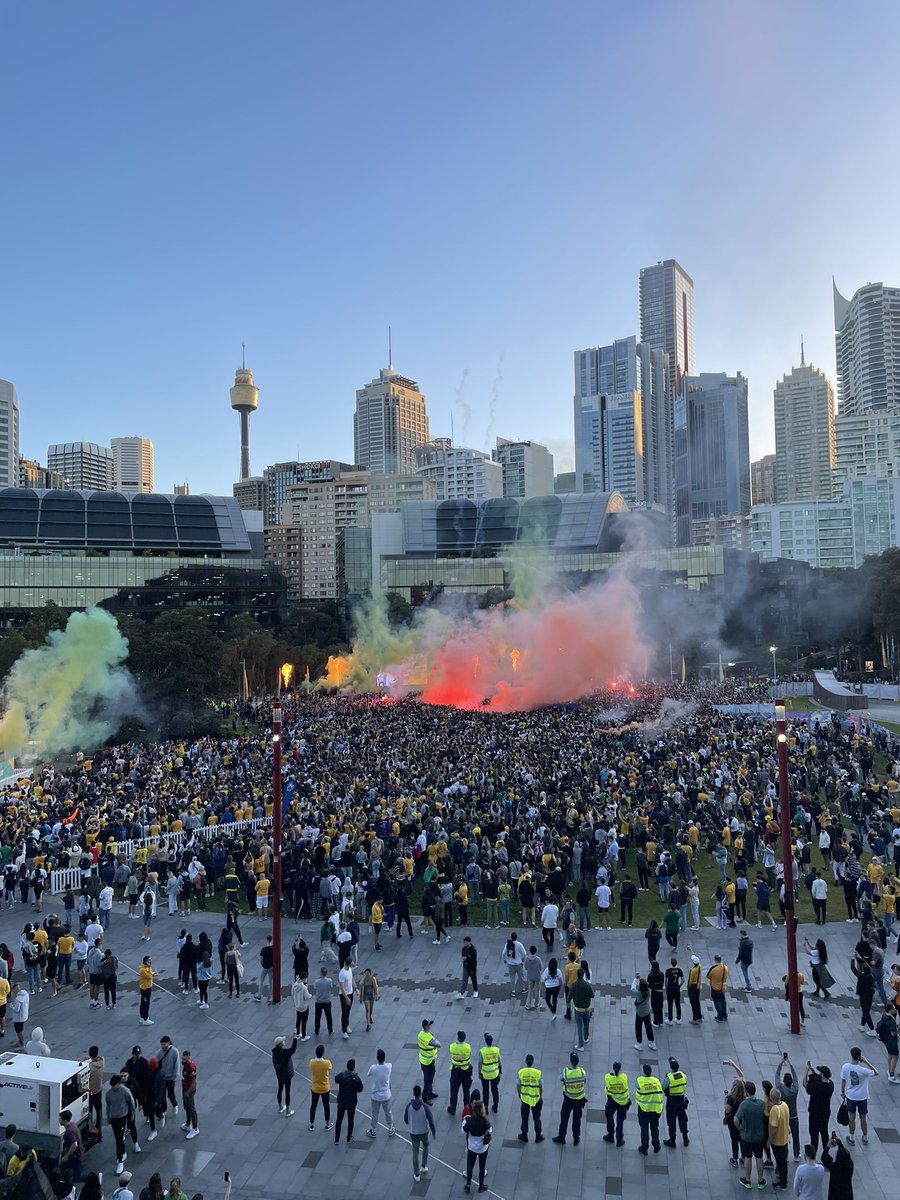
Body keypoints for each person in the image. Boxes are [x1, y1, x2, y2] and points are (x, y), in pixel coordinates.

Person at [839, 1046, 878, 1146]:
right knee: (863, 1118)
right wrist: (866, 1062)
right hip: (862, 1097)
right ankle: (865, 1137)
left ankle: (852, 1137)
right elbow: (876, 1072)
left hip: (851, 1096)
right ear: (859, 1057)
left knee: (851, 1117)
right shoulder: (863, 1071)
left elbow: (843, 1080)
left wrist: (842, 1091)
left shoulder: (846, 1067)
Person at [737, 1079, 767, 1189]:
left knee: (747, 1157)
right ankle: (760, 1181)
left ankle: (748, 1180)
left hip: (747, 1136)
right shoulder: (761, 1104)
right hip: (759, 1136)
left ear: (746, 1092)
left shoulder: (744, 1105)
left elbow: (736, 1119)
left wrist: (739, 1127)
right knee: (759, 1157)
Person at [552, 1051, 587, 1146]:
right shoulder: (582, 1072)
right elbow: (584, 1081)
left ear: (571, 1061)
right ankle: (576, 1139)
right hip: (579, 1100)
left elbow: (561, 1078)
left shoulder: (566, 1072)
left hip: (568, 1099)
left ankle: (561, 1137)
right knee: (577, 1120)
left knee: (564, 1119)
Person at [105, 1074, 137, 1175]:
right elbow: (108, 1105)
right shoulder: (109, 1094)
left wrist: (132, 1115)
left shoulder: (125, 1091)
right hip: (114, 1118)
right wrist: (108, 1117)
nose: (113, 1088)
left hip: (123, 1117)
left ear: (118, 1084)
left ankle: (120, 1159)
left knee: (119, 1139)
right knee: (118, 1137)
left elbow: (131, 1104)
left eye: (114, 1085)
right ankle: (121, 1153)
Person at [404, 1085, 436, 1183]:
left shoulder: (409, 1106)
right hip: (424, 1131)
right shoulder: (425, 1106)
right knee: (426, 1146)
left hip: (413, 1132)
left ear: (413, 1093)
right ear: (421, 1093)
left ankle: (416, 1174)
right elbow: (430, 1120)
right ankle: (424, 1166)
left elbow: (405, 1120)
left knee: (415, 1152)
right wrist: (433, 1131)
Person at [462, 1096, 491, 1193]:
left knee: (470, 1165)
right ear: (480, 1110)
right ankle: (481, 1185)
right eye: (483, 1107)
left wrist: (464, 1122)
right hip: (482, 1148)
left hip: (472, 1147)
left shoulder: (469, 1121)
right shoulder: (485, 1121)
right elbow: (490, 1130)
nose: (485, 1108)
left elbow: (463, 1130)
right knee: (482, 1167)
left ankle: (468, 1184)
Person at [803, 1063, 834, 1155]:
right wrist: (813, 1072)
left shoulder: (817, 1086)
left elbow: (805, 1084)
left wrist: (805, 1072)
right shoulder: (830, 1084)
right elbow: (820, 1079)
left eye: (820, 1072)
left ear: (823, 1075)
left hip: (815, 1113)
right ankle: (826, 1152)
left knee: (814, 1134)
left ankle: (813, 1152)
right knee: (824, 1132)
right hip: (825, 1112)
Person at [775, 1054, 801, 1161]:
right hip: (793, 1115)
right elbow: (796, 1077)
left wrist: (781, 1063)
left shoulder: (780, 1088)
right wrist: (790, 1064)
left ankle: (784, 1154)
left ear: (784, 1081)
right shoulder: (795, 1089)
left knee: (784, 1135)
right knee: (796, 1135)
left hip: (784, 1115)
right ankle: (796, 1153)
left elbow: (777, 1076)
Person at [334, 1057, 363, 1144]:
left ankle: (337, 1139)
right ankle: (348, 1138)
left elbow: (336, 1079)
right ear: (354, 1068)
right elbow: (360, 1089)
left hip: (341, 1101)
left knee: (339, 1119)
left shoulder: (342, 1075)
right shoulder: (356, 1078)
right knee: (350, 1120)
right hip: (351, 1102)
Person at [635, 1062, 663, 1155]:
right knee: (654, 1128)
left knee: (644, 1129)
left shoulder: (640, 1080)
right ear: (651, 1072)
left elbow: (637, 1087)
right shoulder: (656, 1080)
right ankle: (656, 1146)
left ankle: (644, 1148)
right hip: (655, 1109)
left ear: (644, 1072)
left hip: (644, 1109)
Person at [662, 1056, 689, 1148]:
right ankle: (685, 1139)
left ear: (671, 1068)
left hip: (671, 1102)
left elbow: (663, 1087)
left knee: (671, 1122)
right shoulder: (683, 1075)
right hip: (681, 1100)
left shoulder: (669, 1078)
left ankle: (672, 1141)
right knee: (683, 1120)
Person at [366, 1048, 394, 1137]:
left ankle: (373, 1131)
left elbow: (368, 1074)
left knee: (374, 1114)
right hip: (386, 1095)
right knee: (388, 1112)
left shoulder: (373, 1068)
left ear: (377, 1058)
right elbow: (389, 1064)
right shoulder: (388, 1066)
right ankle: (390, 1128)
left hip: (375, 1096)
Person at [517, 1053, 543, 1142]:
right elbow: (540, 1086)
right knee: (537, 1119)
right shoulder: (537, 1073)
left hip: (524, 1099)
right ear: (533, 1062)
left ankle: (524, 1135)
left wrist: (520, 1094)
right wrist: (540, 1096)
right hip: (535, 1099)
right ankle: (538, 1136)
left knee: (524, 1118)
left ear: (525, 1062)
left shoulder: (521, 1072)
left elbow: (518, 1085)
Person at [768, 1085, 790, 1190]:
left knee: (780, 1163)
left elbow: (773, 1127)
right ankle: (784, 1180)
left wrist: (769, 1141)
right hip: (785, 1139)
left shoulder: (774, 1110)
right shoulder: (785, 1105)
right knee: (784, 1162)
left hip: (778, 1141)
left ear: (772, 1098)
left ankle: (782, 1183)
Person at [821, 1132, 855, 1200]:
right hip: (847, 1194)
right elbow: (844, 1154)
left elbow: (824, 1158)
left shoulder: (835, 1167)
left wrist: (827, 1146)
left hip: (835, 1194)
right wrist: (839, 1142)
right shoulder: (850, 1165)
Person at [448, 1029, 473, 1116]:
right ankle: (467, 1109)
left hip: (455, 1071)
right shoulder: (467, 1047)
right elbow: (470, 1054)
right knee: (466, 1092)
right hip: (466, 1072)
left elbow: (451, 1053)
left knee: (454, 1091)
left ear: (458, 1038)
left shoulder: (452, 1046)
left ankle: (452, 1108)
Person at [272, 1033, 298, 1116]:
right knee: (287, 1091)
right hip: (286, 1075)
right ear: (280, 1044)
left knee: (280, 1089)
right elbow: (293, 1049)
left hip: (279, 1074)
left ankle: (280, 1107)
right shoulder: (284, 1053)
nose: (284, 1041)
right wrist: (294, 1038)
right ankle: (288, 1110)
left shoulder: (275, 1052)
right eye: (283, 1041)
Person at [309, 1045, 333, 1131]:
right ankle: (327, 1123)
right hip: (325, 1087)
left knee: (313, 1105)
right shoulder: (327, 1063)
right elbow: (330, 1068)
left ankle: (311, 1123)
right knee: (326, 1105)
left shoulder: (311, 1062)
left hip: (315, 1087)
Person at [570, 968, 594, 1050]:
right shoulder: (587, 985)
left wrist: (568, 1003)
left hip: (578, 1010)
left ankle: (581, 1045)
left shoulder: (574, 985)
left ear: (577, 975)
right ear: (583, 975)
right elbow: (592, 995)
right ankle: (586, 1038)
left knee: (580, 1027)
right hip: (587, 1009)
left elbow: (569, 997)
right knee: (586, 1023)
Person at [875, 1005, 899, 1082]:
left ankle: (889, 1070)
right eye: (894, 1008)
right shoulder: (891, 1021)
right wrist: (898, 1029)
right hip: (891, 1041)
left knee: (890, 1055)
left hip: (886, 1040)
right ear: (890, 1010)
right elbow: (893, 1033)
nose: (895, 1009)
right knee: (895, 1056)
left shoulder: (884, 1015)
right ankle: (891, 1075)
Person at [418, 1018, 440, 1102]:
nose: (431, 1026)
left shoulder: (420, 1034)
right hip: (429, 1061)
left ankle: (429, 1092)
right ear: (426, 1027)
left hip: (423, 1059)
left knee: (426, 1077)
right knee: (429, 1079)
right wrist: (434, 1039)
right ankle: (425, 1096)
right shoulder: (428, 1037)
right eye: (429, 1024)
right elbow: (438, 1044)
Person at [478, 1033, 501, 1114]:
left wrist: (479, 1072)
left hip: (485, 1074)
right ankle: (495, 1106)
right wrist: (500, 1071)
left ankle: (485, 1108)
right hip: (494, 1074)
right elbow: (499, 1061)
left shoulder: (483, 1051)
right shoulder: (496, 1050)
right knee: (495, 1091)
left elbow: (480, 1063)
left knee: (485, 1092)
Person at [631, 976, 656, 1050]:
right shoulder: (648, 991)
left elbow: (632, 988)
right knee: (648, 1027)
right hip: (647, 1012)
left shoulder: (638, 993)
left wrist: (635, 980)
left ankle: (639, 1044)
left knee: (638, 1028)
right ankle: (652, 1043)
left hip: (639, 1013)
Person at [157, 1037, 180, 1116]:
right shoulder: (159, 1053)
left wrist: (175, 1076)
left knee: (171, 1094)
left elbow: (177, 1064)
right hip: (162, 1078)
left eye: (164, 1044)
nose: (163, 1046)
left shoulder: (174, 1051)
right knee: (162, 1095)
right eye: (162, 1044)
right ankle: (164, 1109)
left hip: (170, 1078)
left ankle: (175, 1105)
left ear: (168, 1043)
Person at [59, 1109, 84, 1181]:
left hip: (74, 1156)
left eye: (60, 1119)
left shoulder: (69, 1131)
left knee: (75, 1176)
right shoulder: (73, 1125)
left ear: (65, 1120)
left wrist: (66, 1156)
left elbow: (75, 1144)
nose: (59, 1120)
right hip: (78, 1154)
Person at [707, 953, 729, 1021]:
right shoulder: (725, 967)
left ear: (715, 960)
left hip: (715, 987)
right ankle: (724, 1015)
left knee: (717, 1002)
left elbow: (708, 976)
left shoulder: (713, 969)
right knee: (723, 1001)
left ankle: (719, 1017)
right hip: (723, 987)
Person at [313, 967, 334, 1037]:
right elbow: (331, 986)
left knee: (317, 1017)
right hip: (327, 1001)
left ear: (321, 973)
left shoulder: (317, 981)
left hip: (318, 1002)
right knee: (329, 1017)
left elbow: (315, 987)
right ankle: (330, 1030)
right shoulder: (329, 981)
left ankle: (316, 1031)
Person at [291, 973, 311, 1040]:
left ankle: (297, 1033)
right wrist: (310, 995)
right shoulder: (304, 988)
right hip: (304, 1007)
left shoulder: (294, 985)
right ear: (305, 978)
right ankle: (304, 1036)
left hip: (297, 1006)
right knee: (304, 1021)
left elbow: (292, 994)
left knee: (298, 1020)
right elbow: (307, 997)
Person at [338, 961, 354, 1038]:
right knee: (344, 1012)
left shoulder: (350, 969)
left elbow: (352, 978)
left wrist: (356, 988)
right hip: (344, 995)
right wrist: (346, 997)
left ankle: (347, 1025)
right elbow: (341, 987)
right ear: (349, 963)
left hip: (350, 992)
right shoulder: (342, 973)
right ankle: (344, 1031)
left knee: (348, 1011)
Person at [138, 956, 155, 1025]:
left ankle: (142, 1017)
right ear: (145, 962)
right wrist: (152, 974)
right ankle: (145, 1018)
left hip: (147, 986)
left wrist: (151, 973)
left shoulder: (146, 968)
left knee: (143, 1002)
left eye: (150, 961)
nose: (150, 963)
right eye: (148, 961)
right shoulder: (143, 970)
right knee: (146, 1003)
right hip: (145, 988)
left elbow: (150, 974)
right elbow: (149, 976)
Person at [256, 935, 274, 1003]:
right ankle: (269, 996)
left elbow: (261, 959)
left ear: (267, 940)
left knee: (261, 981)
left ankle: (259, 996)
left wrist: (263, 965)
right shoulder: (273, 948)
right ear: (272, 939)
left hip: (265, 967)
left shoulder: (264, 949)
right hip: (272, 966)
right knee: (270, 981)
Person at [687, 953, 703, 1024]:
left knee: (693, 1002)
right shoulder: (699, 966)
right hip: (698, 986)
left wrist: (688, 986)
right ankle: (699, 1017)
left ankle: (695, 1018)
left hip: (693, 986)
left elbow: (690, 980)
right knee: (697, 1002)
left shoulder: (692, 970)